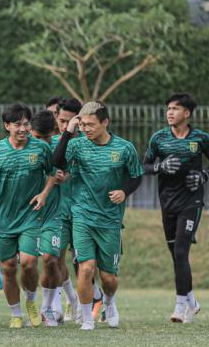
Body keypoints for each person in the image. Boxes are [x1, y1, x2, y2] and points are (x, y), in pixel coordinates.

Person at [52, 101, 143, 330]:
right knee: (86, 268)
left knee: (109, 277)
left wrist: (124, 191)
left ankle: (109, 303)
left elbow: (136, 176)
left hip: (110, 220)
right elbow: (56, 162)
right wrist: (68, 132)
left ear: (105, 122)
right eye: (82, 124)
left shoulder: (124, 148)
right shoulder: (78, 145)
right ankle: (86, 317)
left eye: (90, 124)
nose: (86, 129)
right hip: (82, 215)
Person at [143, 93, 209, 323]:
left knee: (181, 251)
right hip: (168, 203)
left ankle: (179, 306)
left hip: (191, 201)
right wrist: (160, 166)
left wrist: (204, 175)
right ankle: (192, 302)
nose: (170, 112)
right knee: (176, 255)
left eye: (175, 108)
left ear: (187, 113)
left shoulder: (201, 138)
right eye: (168, 108)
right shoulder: (159, 138)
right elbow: (144, 166)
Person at [0, 104, 55, 329]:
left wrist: (43, 194)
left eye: (26, 124)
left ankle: (32, 301)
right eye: (18, 124)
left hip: (30, 216)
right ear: (7, 126)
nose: (23, 128)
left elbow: (53, 173)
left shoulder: (41, 149)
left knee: (29, 262)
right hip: (3, 218)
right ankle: (15, 314)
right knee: (8, 268)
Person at [30, 110, 67, 326]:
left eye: (46, 138)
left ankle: (48, 307)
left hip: (52, 213)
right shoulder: (23, 146)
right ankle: (30, 304)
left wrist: (64, 176)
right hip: (28, 214)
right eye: (37, 138)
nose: (42, 143)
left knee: (50, 259)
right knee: (26, 263)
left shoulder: (59, 148)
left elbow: (70, 171)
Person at [51, 97, 84, 323]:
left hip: (84, 210)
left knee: (83, 260)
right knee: (54, 258)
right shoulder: (52, 142)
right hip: (58, 210)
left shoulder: (89, 143)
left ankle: (84, 303)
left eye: (70, 122)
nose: (66, 126)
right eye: (62, 121)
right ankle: (67, 300)